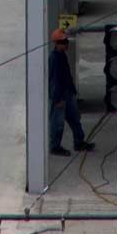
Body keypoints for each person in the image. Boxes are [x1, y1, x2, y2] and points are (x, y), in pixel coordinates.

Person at [48, 26, 93, 156]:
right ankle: (55, 146)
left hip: (67, 94)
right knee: (58, 123)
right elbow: (54, 80)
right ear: (56, 44)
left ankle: (79, 142)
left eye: (66, 41)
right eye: (63, 42)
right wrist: (57, 99)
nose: (66, 44)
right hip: (60, 96)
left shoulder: (62, 56)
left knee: (75, 119)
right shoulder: (55, 59)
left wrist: (72, 91)